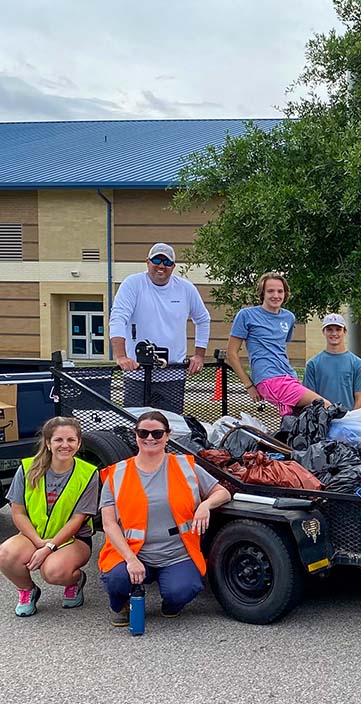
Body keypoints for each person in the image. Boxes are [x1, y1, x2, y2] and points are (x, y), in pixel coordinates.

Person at [99, 410, 231, 624]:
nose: (150, 438)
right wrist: (131, 560)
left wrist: (205, 505)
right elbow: (109, 524)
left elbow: (222, 492)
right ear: (136, 436)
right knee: (117, 580)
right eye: (143, 433)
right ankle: (123, 604)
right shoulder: (117, 473)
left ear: (167, 436)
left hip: (176, 552)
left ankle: (171, 605)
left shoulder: (185, 466)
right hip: (133, 551)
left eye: (157, 434)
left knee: (183, 589)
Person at [0, 417, 98, 617]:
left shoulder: (89, 474)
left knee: (52, 571)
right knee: (5, 554)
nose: (65, 445)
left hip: (73, 539)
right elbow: (17, 512)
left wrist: (48, 548)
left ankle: (75, 581)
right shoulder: (27, 469)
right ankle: (28, 590)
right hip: (33, 534)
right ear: (48, 443)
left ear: (78, 443)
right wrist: (37, 542)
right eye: (58, 440)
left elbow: (77, 519)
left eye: (71, 440)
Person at [109, 242, 211, 412]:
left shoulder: (186, 289)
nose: (161, 266)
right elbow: (118, 318)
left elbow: (203, 319)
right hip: (138, 375)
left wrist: (199, 355)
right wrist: (121, 356)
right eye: (157, 260)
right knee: (136, 427)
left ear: (173, 266)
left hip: (173, 376)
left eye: (167, 262)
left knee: (171, 429)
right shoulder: (132, 284)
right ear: (148, 262)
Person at [227, 273, 331, 416]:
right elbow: (231, 354)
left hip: (289, 377)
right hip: (269, 379)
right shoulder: (246, 315)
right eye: (270, 291)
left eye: (280, 291)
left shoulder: (289, 317)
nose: (276, 295)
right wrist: (249, 385)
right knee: (325, 406)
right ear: (262, 293)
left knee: (300, 421)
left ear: (285, 294)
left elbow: (279, 348)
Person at [303, 313, 361, 411]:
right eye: (329, 329)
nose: (334, 334)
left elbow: (360, 398)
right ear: (323, 332)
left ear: (345, 331)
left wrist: (352, 419)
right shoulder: (313, 364)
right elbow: (309, 398)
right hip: (322, 421)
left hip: (347, 421)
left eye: (338, 329)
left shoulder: (357, 364)